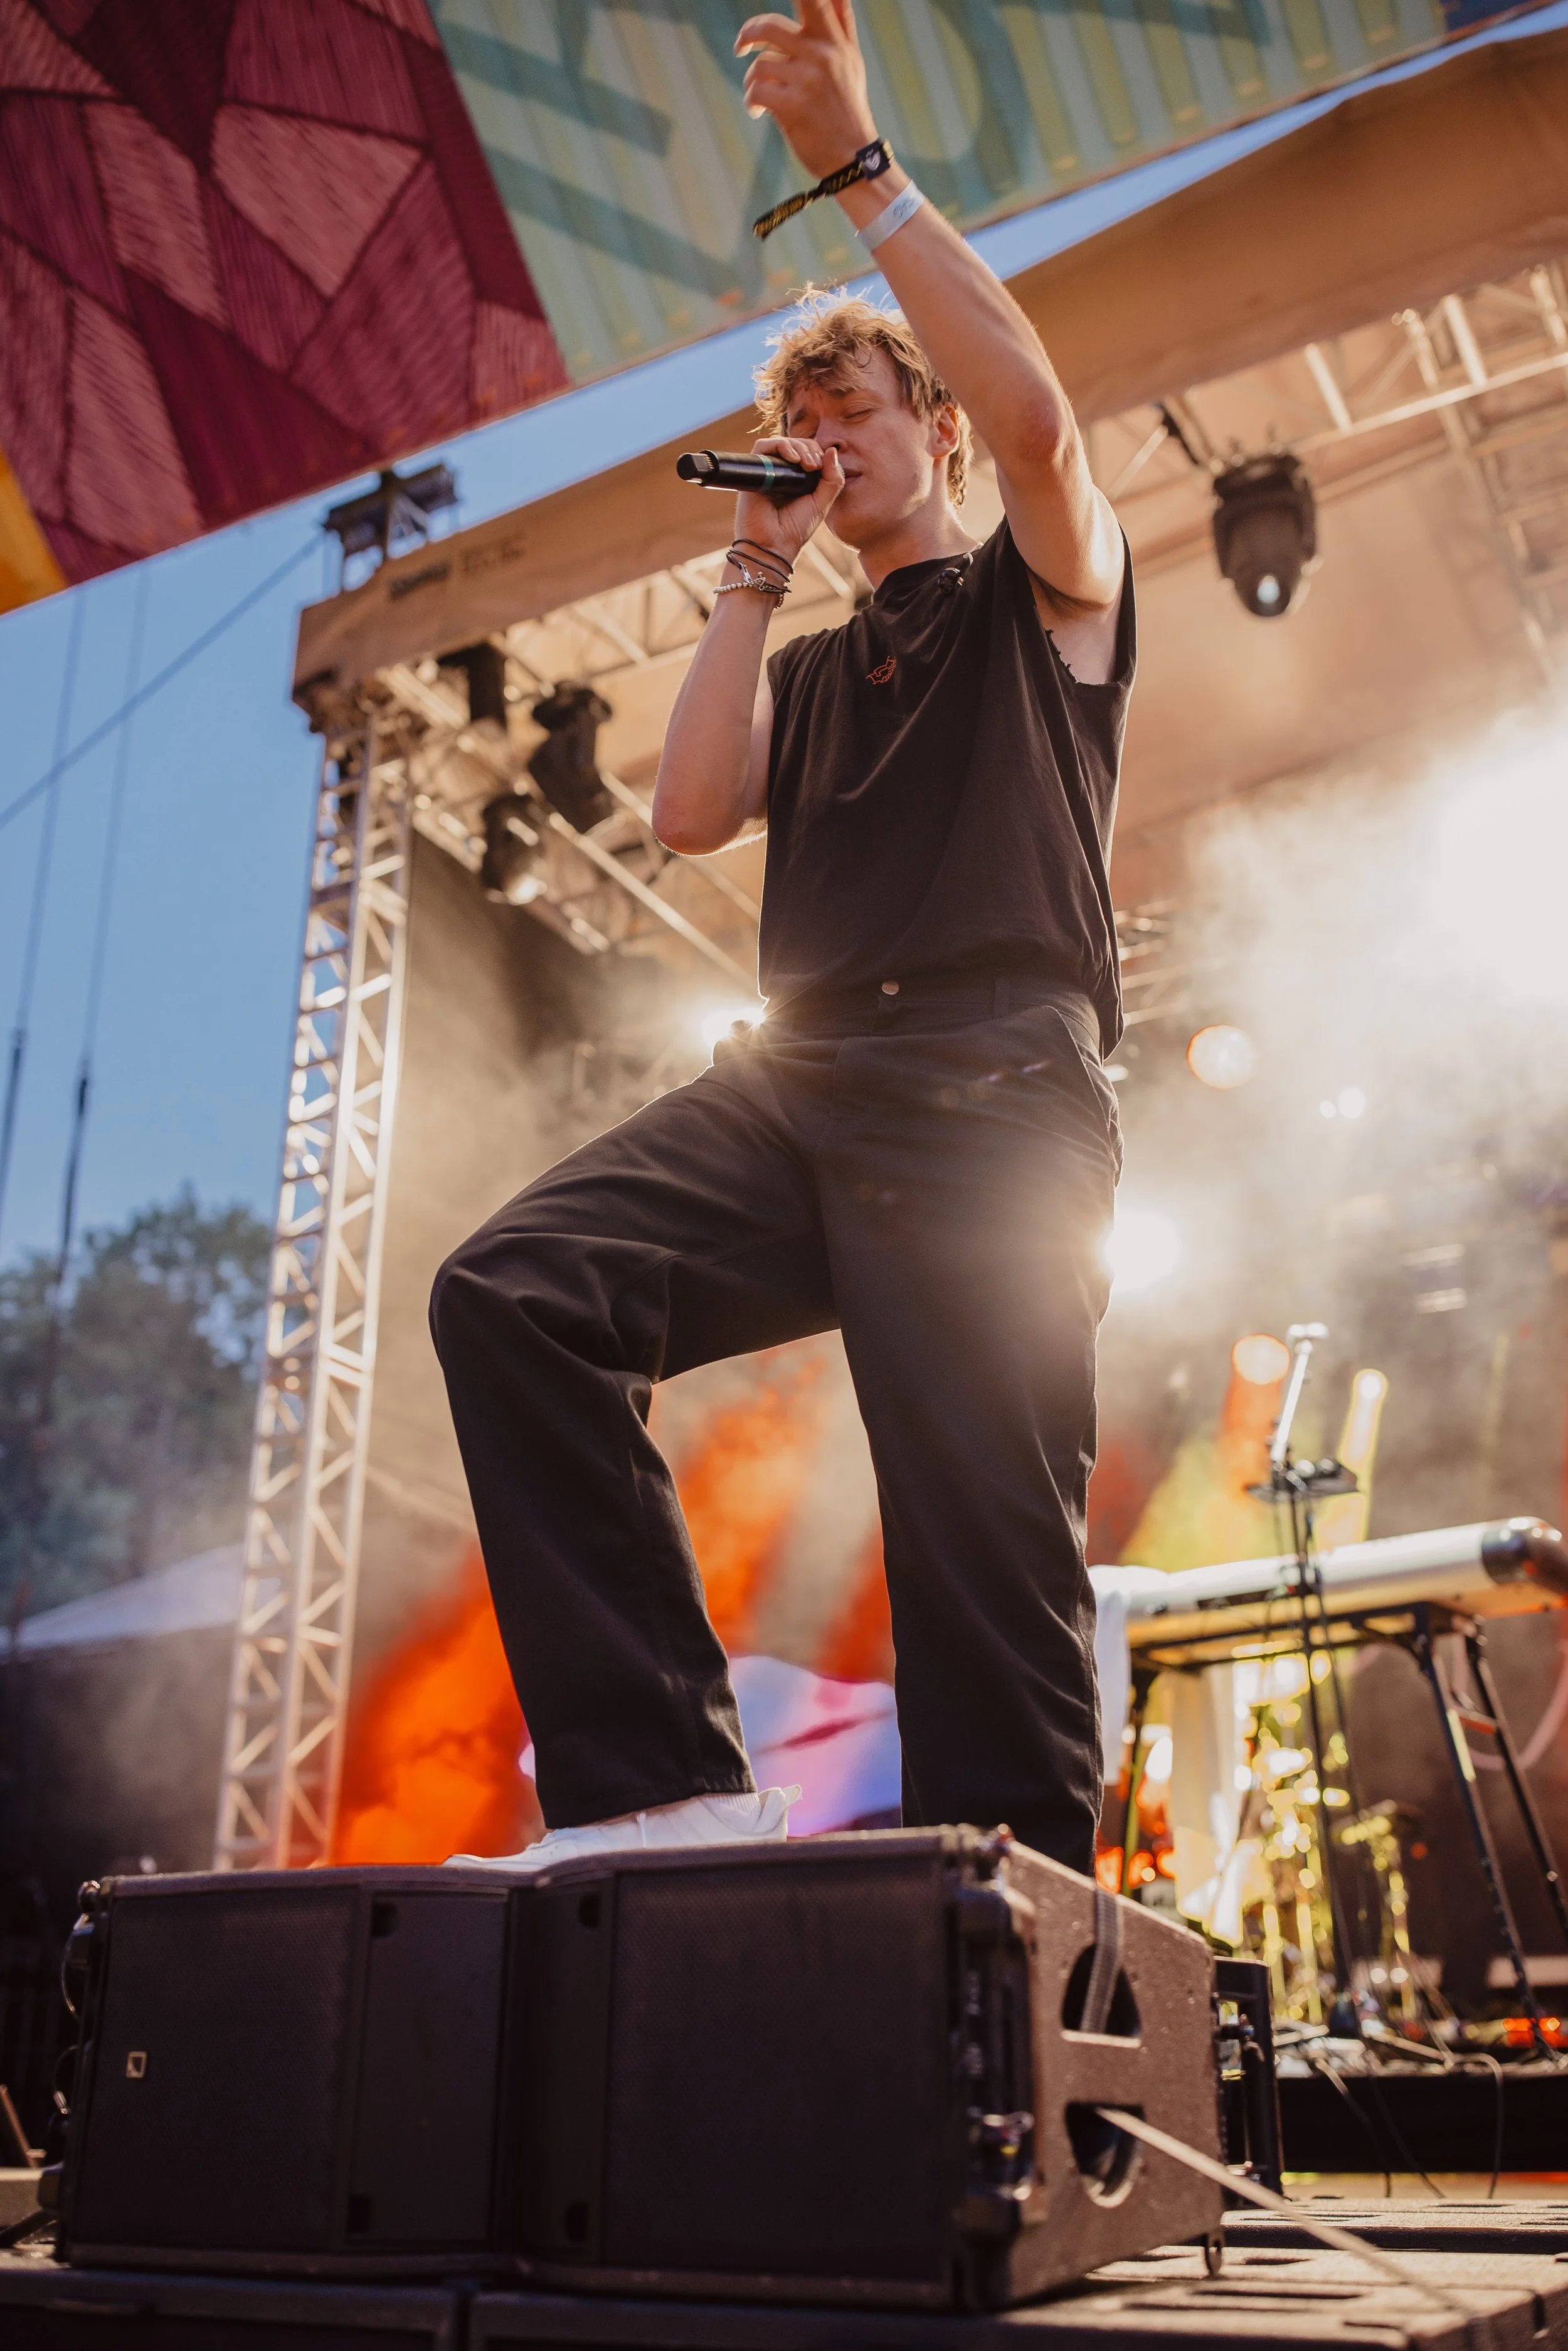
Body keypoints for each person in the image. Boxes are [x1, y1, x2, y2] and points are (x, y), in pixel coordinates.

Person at [430, 0, 1131, 1876]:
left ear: (926, 429)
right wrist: (751, 564)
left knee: (974, 1524)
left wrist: (855, 167)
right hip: (803, 1075)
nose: (825, 439)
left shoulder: (1039, 595)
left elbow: (1039, 413)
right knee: (511, 1292)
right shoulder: (807, 653)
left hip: (991, 1087)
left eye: (855, 408)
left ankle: (1018, 1969)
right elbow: (684, 812)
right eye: (798, 423)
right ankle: (661, 1788)